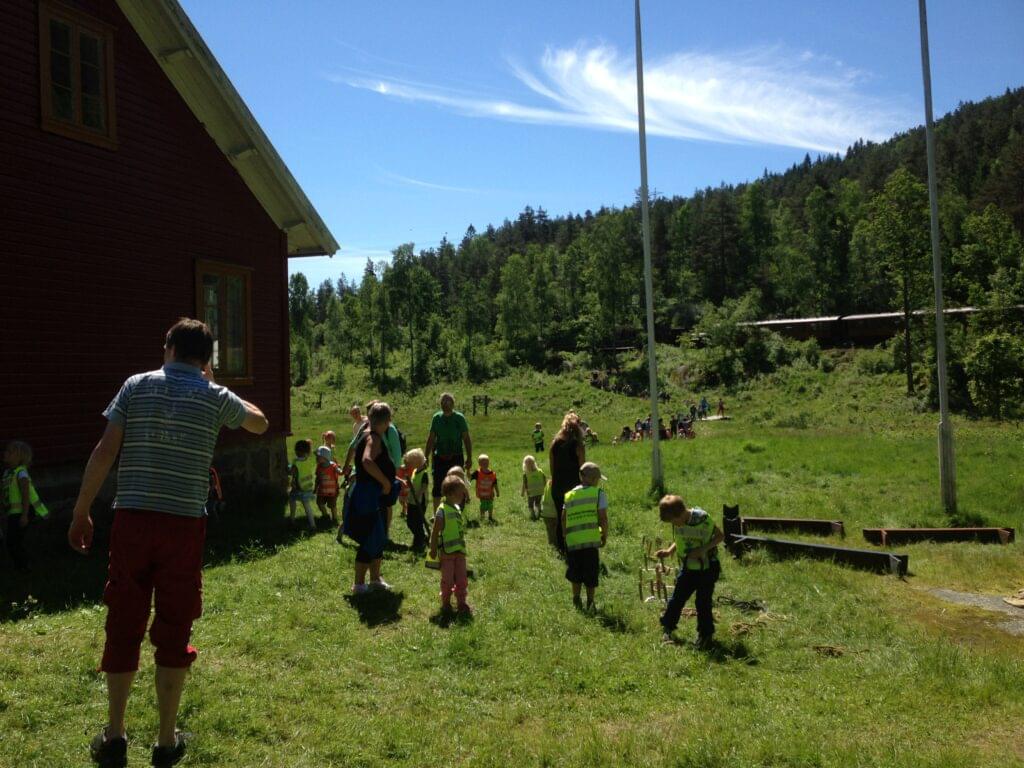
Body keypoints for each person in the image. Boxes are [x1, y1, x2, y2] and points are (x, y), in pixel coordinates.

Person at [67, 318, 268, 768]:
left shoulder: (136, 386)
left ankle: (116, 734)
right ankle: (164, 740)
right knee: (175, 625)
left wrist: (81, 511)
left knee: (124, 619)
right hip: (182, 526)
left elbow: (105, 451)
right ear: (206, 359)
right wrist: (215, 385)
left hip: (132, 520)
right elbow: (260, 423)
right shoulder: (214, 396)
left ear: (168, 349)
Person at [343, 402, 399, 594]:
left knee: (379, 537)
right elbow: (367, 462)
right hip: (369, 496)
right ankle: (359, 584)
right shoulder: (372, 438)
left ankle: (375, 579)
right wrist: (385, 482)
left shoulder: (368, 434)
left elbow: (377, 465)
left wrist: (395, 480)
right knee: (370, 537)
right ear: (386, 421)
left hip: (376, 496)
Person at [655, 495, 724, 649]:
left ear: (680, 514)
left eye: (673, 521)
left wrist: (703, 550)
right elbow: (681, 537)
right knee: (677, 598)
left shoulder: (703, 519)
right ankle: (668, 627)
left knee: (702, 602)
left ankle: (705, 636)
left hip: (707, 568)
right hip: (689, 567)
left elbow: (720, 536)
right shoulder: (679, 523)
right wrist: (668, 551)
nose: (674, 525)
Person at [561, 462, 608, 611]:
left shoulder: (569, 495)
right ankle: (590, 601)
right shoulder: (598, 494)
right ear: (594, 479)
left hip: (573, 541)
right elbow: (603, 518)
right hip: (591, 541)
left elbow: (563, 517)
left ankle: (576, 598)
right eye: (597, 479)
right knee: (591, 572)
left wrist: (565, 534)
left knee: (575, 570)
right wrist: (604, 535)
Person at [3, 440, 49, 570]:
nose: (5, 453)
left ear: (19, 457)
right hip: (13, 513)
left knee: (13, 541)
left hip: (22, 513)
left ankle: (24, 566)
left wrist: (24, 515)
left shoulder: (21, 473)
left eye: (9, 452)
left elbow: (25, 495)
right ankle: (21, 565)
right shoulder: (8, 474)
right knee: (13, 541)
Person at [429, 475, 471, 616]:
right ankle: (446, 602)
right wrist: (433, 549)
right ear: (451, 494)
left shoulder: (457, 508)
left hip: (460, 552)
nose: (463, 495)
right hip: (447, 554)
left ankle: (461, 602)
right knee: (447, 580)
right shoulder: (442, 511)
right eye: (461, 493)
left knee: (462, 579)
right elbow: (435, 532)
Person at [424, 393, 472, 511]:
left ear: (453, 403)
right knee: (437, 486)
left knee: (456, 484)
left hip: (456, 456)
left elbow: (466, 438)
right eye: (443, 402)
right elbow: (431, 439)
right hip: (440, 457)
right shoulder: (436, 418)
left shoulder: (459, 418)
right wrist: (425, 457)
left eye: (448, 401)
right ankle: (436, 515)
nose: (445, 404)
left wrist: (469, 457)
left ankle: (458, 512)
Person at [549, 411, 586, 554]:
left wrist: (555, 480)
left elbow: (552, 467)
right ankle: (575, 544)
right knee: (575, 516)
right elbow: (582, 467)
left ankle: (561, 547)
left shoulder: (554, 444)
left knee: (560, 516)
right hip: (573, 487)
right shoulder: (578, 445)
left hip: (557, 486)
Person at [404, 449, 430, 552]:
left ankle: (419, 543)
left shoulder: (424, 473)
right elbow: (414, 484)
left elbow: (424, 486)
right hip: (412, 501)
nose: (409, 464)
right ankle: (423, 537)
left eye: (410, 462)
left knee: (418, 522)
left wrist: (418, 495)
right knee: (410, 522)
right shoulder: (415, 471)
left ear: (416, 461)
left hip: (420, 502)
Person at [288, 440, 317, 531]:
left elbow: (291, 472)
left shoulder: (296, 462)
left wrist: (288, 468)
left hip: (297, 488)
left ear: (296, 451)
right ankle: (313, 525)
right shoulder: (308, 460)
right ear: (307, 452)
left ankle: (292, 519)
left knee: (292, 500)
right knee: (307, 506)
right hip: (307, 486)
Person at [314, 447, 343, 525]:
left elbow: (339, 472)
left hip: (332, 491)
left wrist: (342, 471)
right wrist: (315, 488)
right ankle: (325, 515)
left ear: (325, 457)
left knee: (332, 506)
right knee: (319, 503)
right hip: (321, 491)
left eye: (318, 456)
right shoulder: (319, 467)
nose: (316, 458)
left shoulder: (333, 465)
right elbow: (317, 478)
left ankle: (334, 518)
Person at [470, 454, 499, 523]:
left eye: (486, 462)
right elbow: (470, 478)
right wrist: (468, 471)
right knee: (483, 505)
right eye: (483, 463)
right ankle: (482, 517)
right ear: (479, 464)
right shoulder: (477, 472)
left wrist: (497, 492)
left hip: (490, 493)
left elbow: (495, 483)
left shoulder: (492, 473)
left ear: (489, 462)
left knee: (490, 505)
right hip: (481, 493)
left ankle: (490, 516)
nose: (485, 464)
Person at [521, 455, 546, 521]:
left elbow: (524, 484)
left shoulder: (526, 474)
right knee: (538, 503)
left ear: (525, 465)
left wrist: (522, 492)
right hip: (539, 491)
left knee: (530, 505)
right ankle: (539, 512)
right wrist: (545, 488)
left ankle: (533, 515)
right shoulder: (540, 472)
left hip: (531, 493)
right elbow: (544, 480)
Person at [539, 480, 559, 547]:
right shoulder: (558, 485)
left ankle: (551, 545)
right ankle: (556, 546)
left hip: (546, 512)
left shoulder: (548, 483)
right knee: (556, 530)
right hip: (554, 512)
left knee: (550, 530)